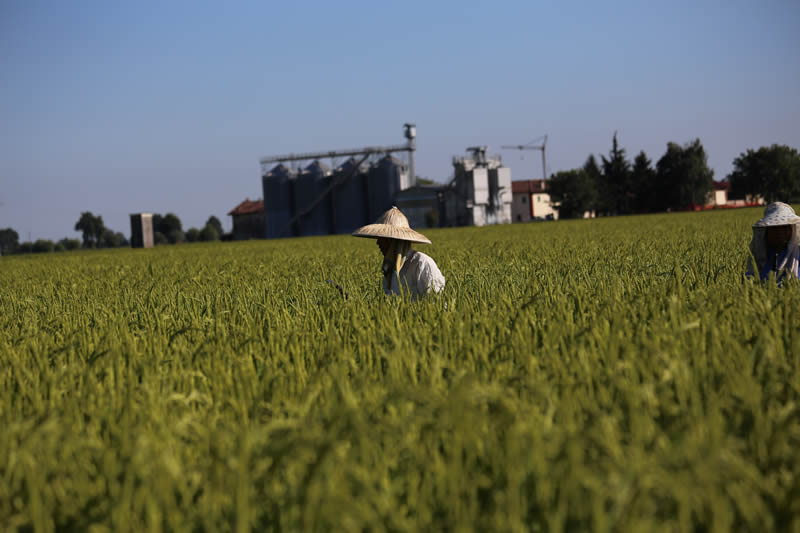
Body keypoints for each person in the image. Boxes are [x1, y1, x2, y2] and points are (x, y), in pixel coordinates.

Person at [352, 206, 445, 300]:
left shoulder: (421, 263)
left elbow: (437, 301)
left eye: (382, 239)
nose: (378, 243)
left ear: (393, 241)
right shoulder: (389, 269)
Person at [746, 202, 800, 283]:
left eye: (785, 227)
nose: (780, 232)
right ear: (765, 232)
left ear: (792, 230)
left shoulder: (797, 255)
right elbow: (749, 278)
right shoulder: (759, 256)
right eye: (774, 228)